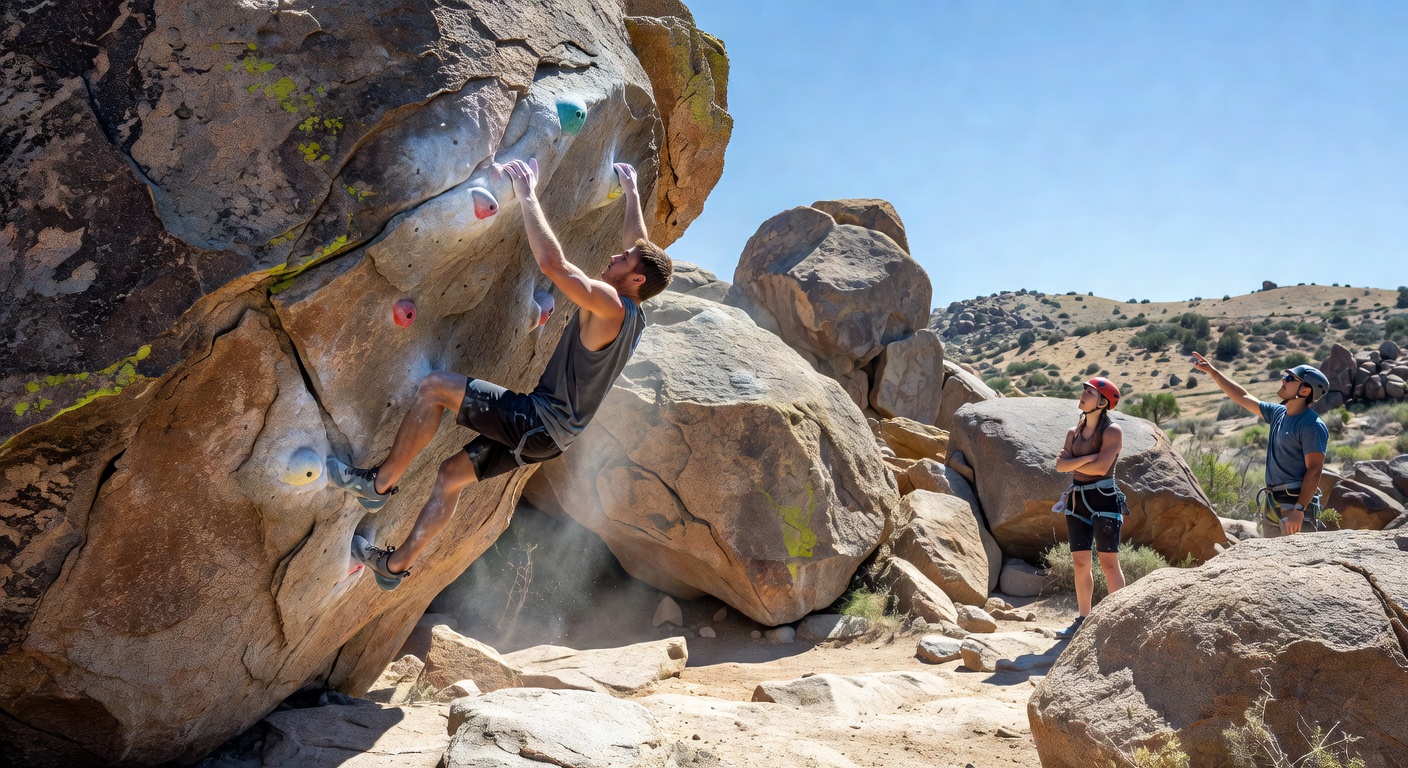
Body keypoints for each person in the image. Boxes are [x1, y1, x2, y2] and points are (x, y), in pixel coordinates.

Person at [328, 159, 672, 590]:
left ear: (635, 277)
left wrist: (528, 196)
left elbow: (554, 266)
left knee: (435, 387)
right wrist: (632, 193)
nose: (614, 255)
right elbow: (640, 245)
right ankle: (394, 567)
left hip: (535, 419)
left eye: (623, 258)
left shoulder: (610, 303)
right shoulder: (638, 313)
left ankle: (377, 485)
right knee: (451, 476)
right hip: (551, 437)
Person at [1191, 352, 1330, 538]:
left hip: (1294, 506)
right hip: (1273, 503)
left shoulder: (1311, 425)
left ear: (1305, 391)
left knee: (1296, 563)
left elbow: (1314, 469)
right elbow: (1243, 396)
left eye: (1290, 378)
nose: (1283, 380)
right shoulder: (1278, 413)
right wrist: (1213, 371)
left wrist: (1299, 510)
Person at [1053, 377, 1128, 639]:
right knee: (1080, 562)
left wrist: (1074, 461)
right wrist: (1087, 457)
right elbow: (1060, 467)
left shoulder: (1112, 431)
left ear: (1103, 402)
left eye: (1089, 392)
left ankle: (1119, 624)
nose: (1083, 394)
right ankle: (1083, 620)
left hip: (1104, 499)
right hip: (1077, 501)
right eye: (1084, 390)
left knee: (1109, 564)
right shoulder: (1073, 433)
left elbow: (1100, 469)